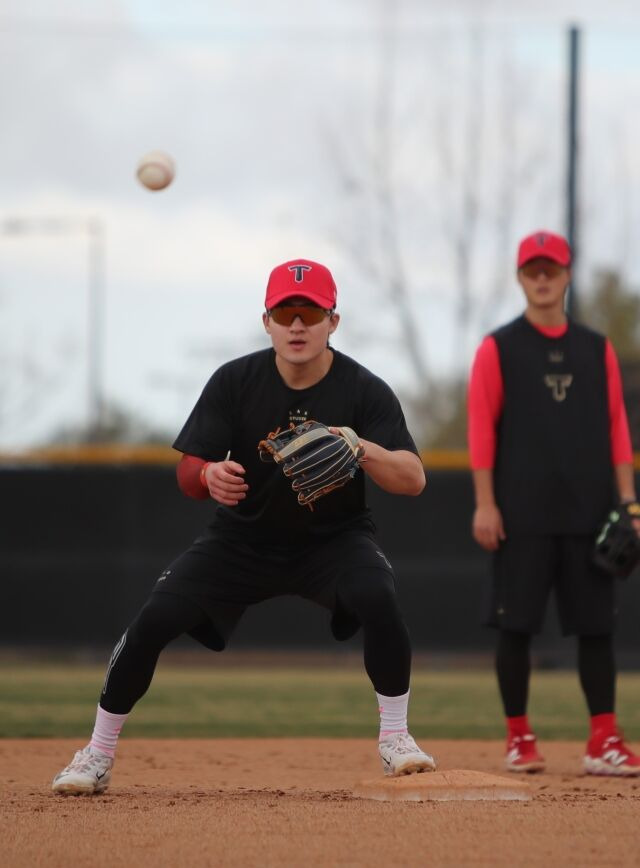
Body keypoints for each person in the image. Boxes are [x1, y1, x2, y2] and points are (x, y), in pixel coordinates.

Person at [52, 257, 436, 795]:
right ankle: (96, 752)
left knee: (379, 595)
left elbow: (413, 478)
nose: (297, 325)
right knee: (155, 619)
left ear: (333, 321)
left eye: (309, 312)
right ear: (267, 322)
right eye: (285, 312)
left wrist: (359, 446)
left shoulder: (364, 389)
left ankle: (396, 738)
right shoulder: (236, 381)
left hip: (334, 540)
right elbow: (187, 471)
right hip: (242, 540)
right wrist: (208, 473)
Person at [467, 229, 640, 776]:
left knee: (597, 628)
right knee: (515, 626)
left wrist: (630, 501)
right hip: (521, 512)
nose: (542, 278)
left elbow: (617, 427)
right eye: (532, 270)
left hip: (589, 511)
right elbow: (480, 428)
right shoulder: (499, 347)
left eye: (552, 269)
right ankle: (519, 738)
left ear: (567, 275)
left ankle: (603, 739)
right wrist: (485, 504)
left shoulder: (596, 348)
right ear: (520, 278)